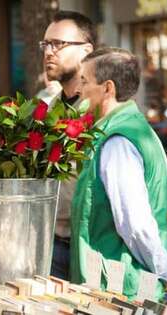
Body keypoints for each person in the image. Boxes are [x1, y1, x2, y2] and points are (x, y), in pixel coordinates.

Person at [72, 47, 167, 299]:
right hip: (120, 281)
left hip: (120, 287)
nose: (79, 89)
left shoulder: (118, 141)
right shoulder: (130, 129)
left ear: (108, 88)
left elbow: (135, 222)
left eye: (85, 81)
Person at [40, 10, 97, 280]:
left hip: (90, 247)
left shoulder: (102, 111)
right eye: (46, 44)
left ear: (86, 50)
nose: (49, 51)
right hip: (50, 244)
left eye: (59, 44)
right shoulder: (48, 109)